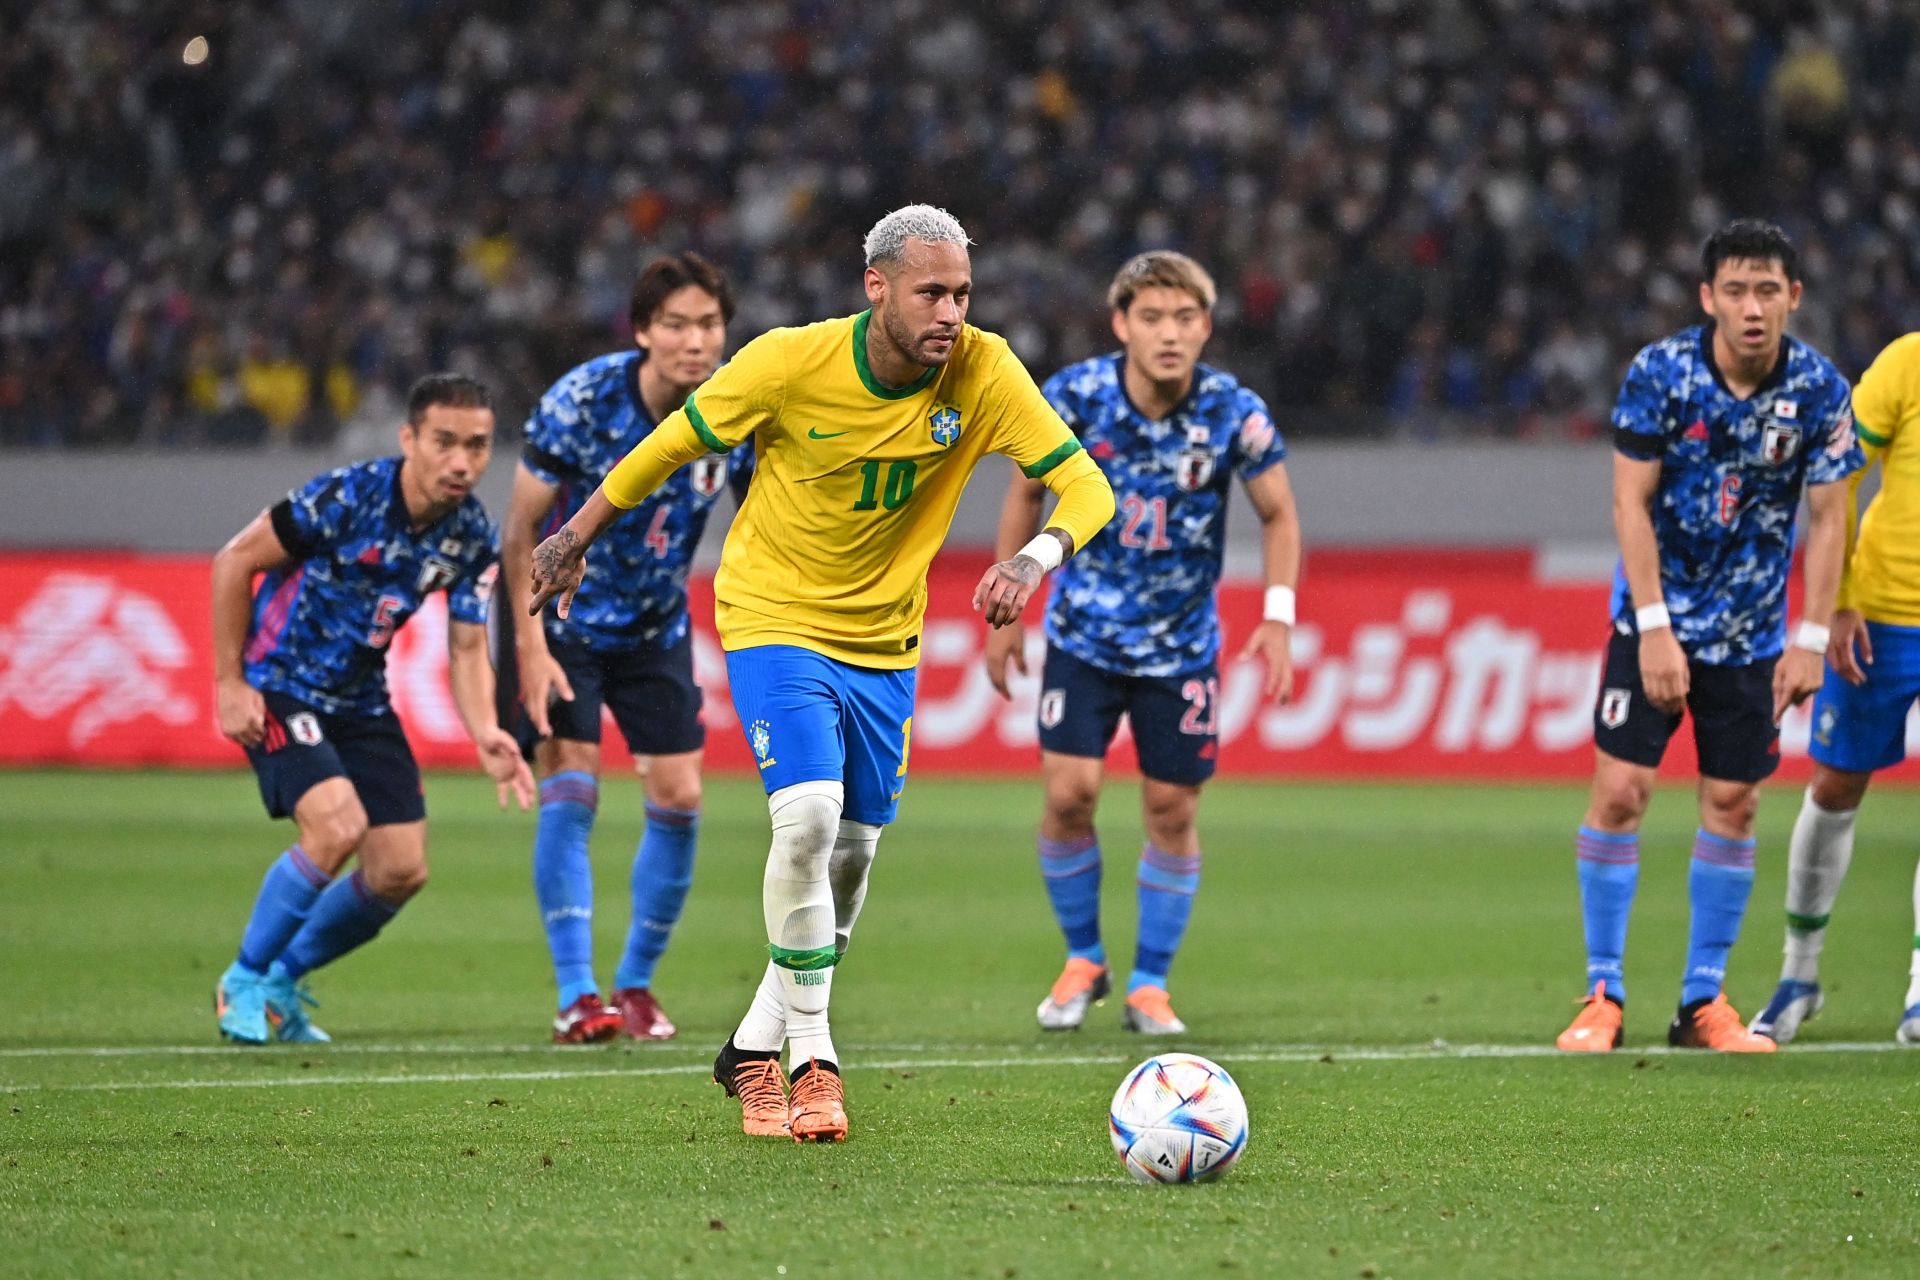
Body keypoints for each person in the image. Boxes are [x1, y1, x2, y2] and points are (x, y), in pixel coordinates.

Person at [527, 205, 1115, 1141]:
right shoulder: (787, 362)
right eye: (931, 292)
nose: (950, 313)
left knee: (850, 857)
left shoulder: (986, 369)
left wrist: (1034, 559)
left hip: (885, 640)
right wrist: (574, 534)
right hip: (773, 615)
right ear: (876, 286)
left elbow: (1088, 484)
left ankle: (753, 1043)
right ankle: (811, 1062)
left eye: (962, 292)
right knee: (806, 819)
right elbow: (671, 443)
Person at [1555, 219, 1861, 1055]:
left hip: (1755, 637)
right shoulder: (1661, 374)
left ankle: (1701, 1004)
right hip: (1652, 621)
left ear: (1793, 297)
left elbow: (1832, 517)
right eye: (1735, 289)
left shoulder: (1822, 393)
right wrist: (1654, 630)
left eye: (1768, 290)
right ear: (1707, 298)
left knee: (1735, 802)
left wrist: (1808, 635)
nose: (1752, 307)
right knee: (1620, 793)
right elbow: (1629, 504)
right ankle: (1602, 994)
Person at [982, 251, 1300, 1036]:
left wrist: (1279, 615)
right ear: (1121, 324)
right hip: (1084, 637)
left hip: (1183, 649)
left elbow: (1279, 515)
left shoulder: (1234, 412)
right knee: (1069, 795)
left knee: (1169, 807)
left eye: (1185, 318)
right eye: (1152, 317)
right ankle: (1084, 958)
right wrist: (1012, 606)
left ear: (1206, 326)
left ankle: (1150, 984)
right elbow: (1025, 490)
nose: (1169, 333)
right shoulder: (1076, 398)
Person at [212, 373, 534, 1044]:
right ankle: (242, 977)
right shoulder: (345, 497)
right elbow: (234, 561)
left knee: (399, 870)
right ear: (409, 438)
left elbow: (469, 647)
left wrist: (485, 731)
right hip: (282, 682)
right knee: (336, 827)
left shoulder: (471, 534)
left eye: (476, 446)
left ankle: (279, 982)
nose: (461, 462)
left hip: (361, 702)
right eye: (444, 442)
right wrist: (230, 681)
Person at [501, 253, 752, 1045]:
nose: (694, 340)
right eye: (675, 324)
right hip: (562, 622)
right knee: (574, 789)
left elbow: (760, 518)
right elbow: (518, 534)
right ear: (643, 331)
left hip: (655, 628)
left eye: (708, 324)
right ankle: (578, 994)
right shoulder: (581, 402)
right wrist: (531, 646)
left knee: (679, 797)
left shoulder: (738, 409)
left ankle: (636, 985)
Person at [1751, 331, 1920, 1047]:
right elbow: (1840, 474)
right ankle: (1800, 974)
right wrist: (1840, 598)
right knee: (1835, 787)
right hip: (1882, 614)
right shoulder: (1907, 361)